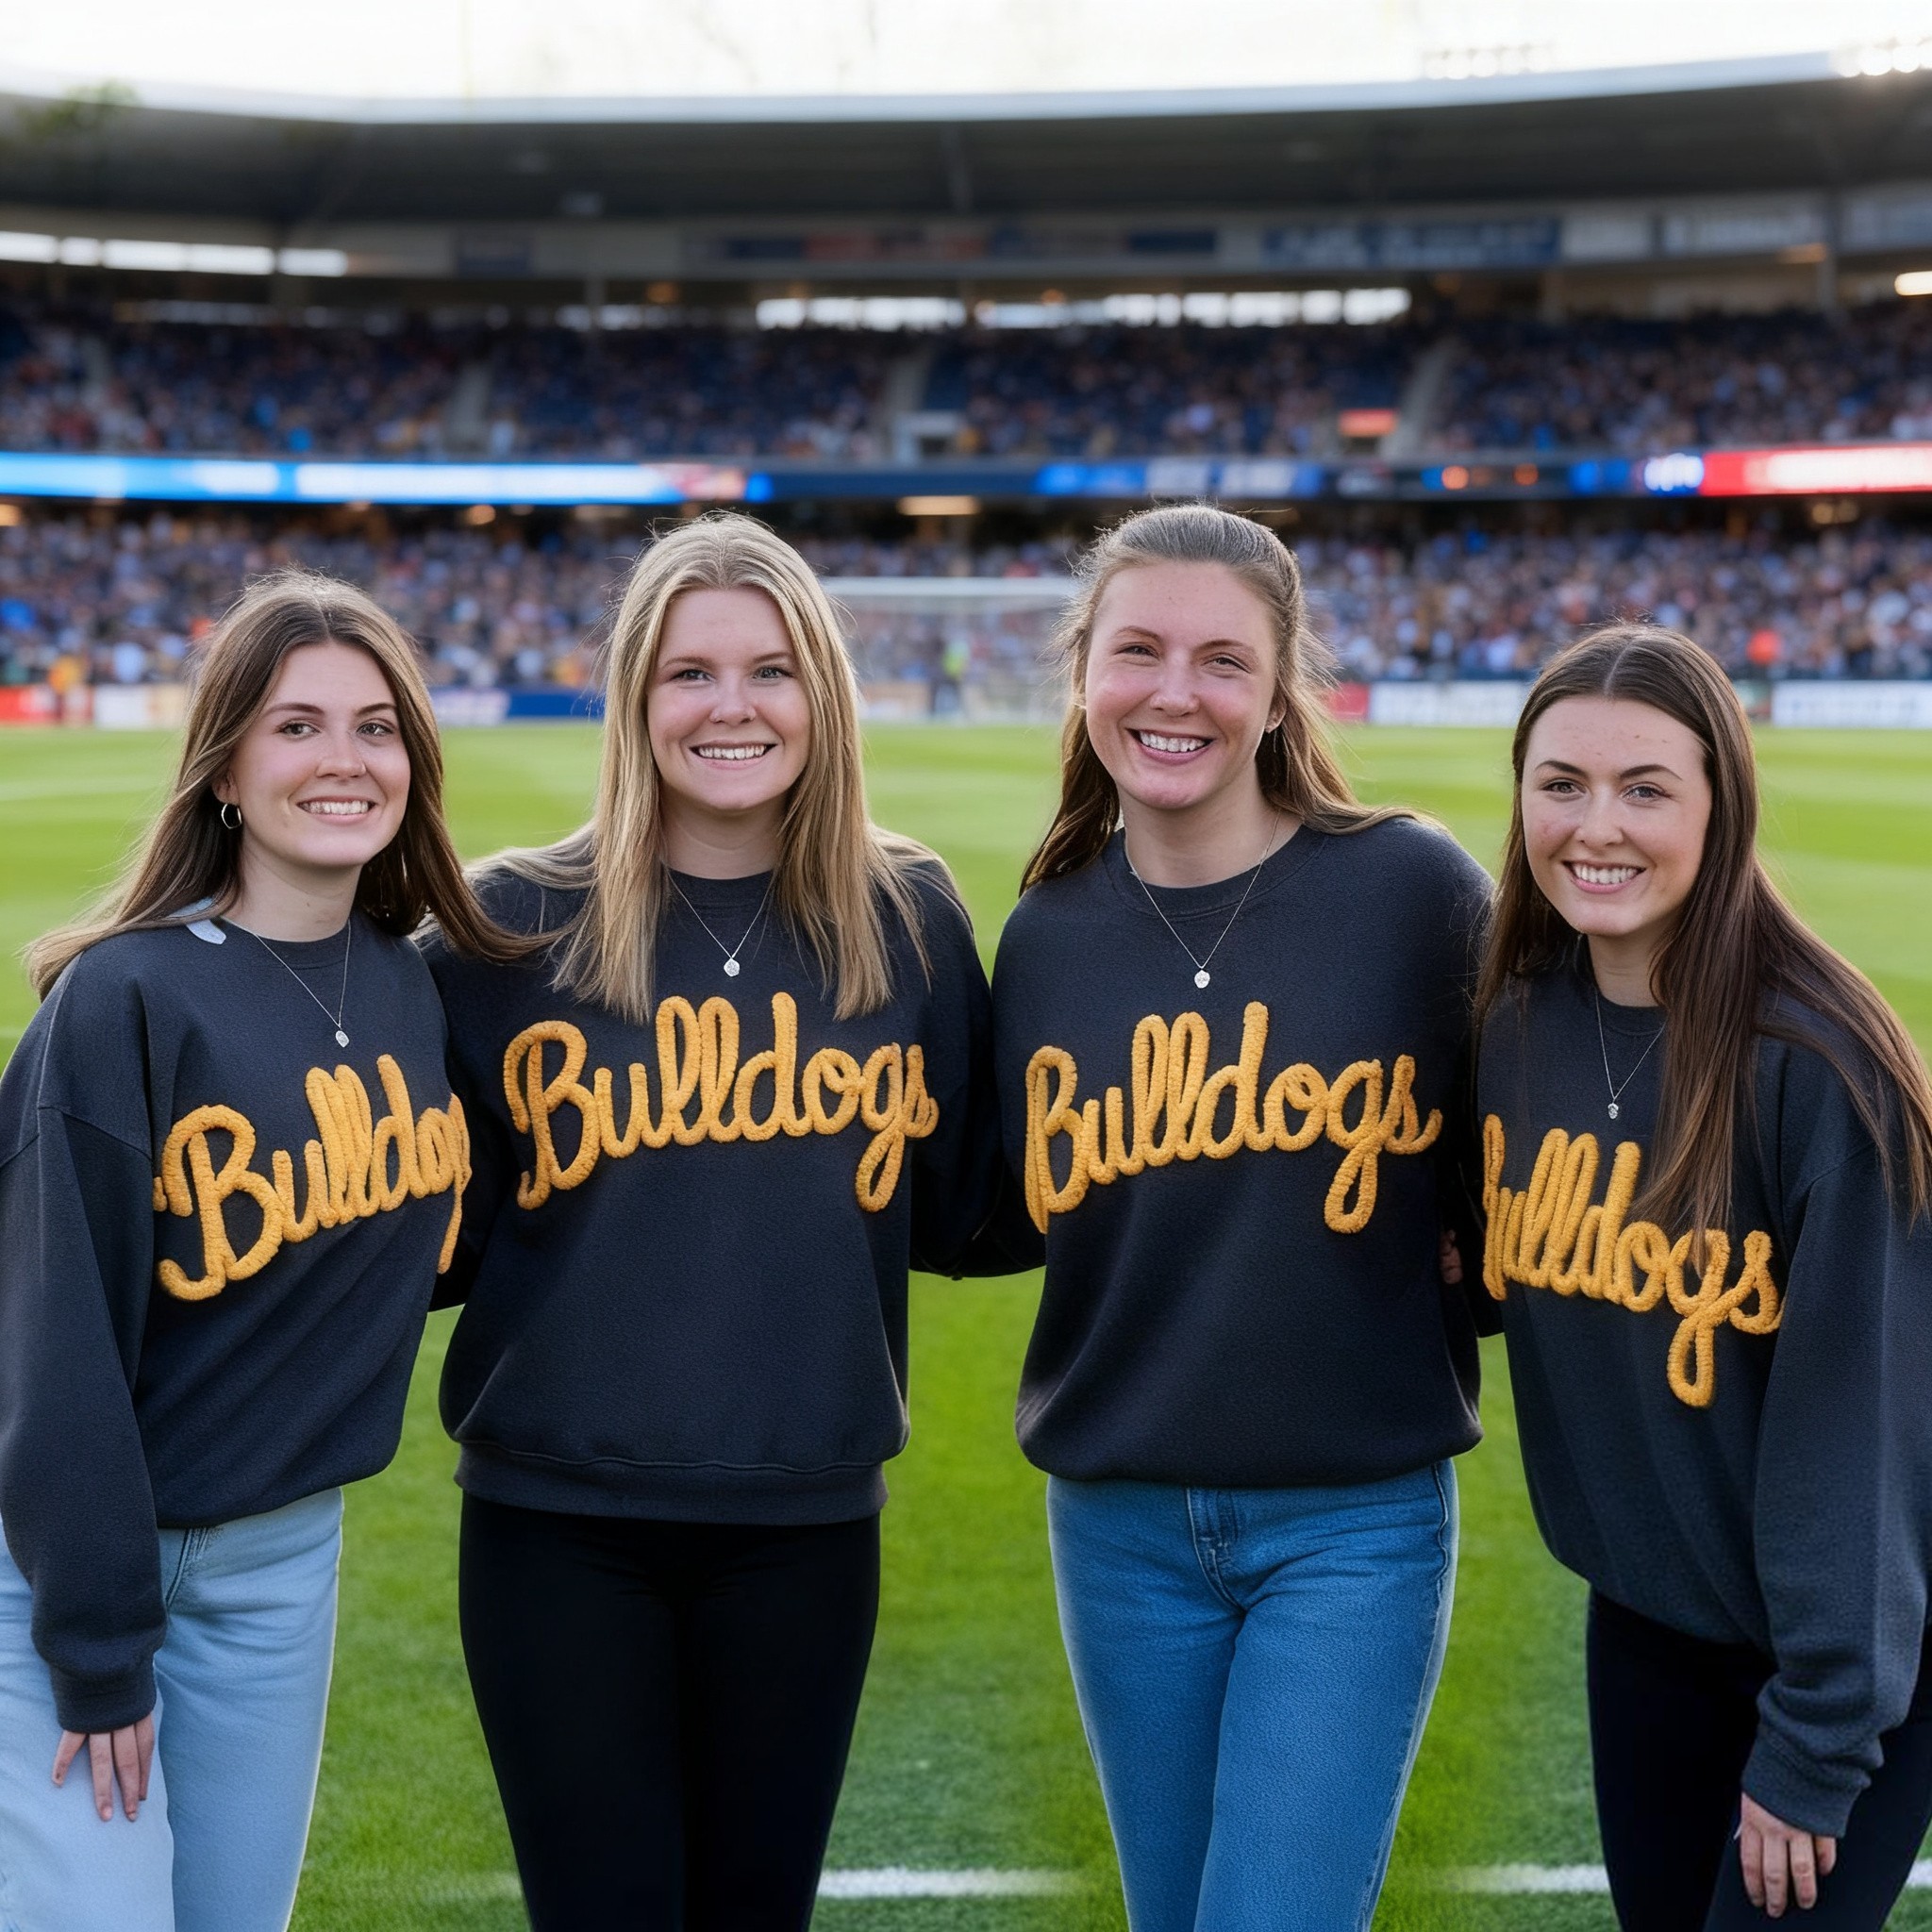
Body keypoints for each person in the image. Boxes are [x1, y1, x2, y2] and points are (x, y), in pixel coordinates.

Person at [424, 512, 1009, 1931]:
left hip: (803, 1529)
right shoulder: (509, 925)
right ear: (634, 699)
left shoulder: (907, 918)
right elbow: (405, 1216)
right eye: (690, 674)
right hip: (556, 1533)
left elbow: (990, 1200)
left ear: (824, 694)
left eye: (769, 671)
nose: (731, 708)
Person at [991, 502, 1492, 1932]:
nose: (1175, 692)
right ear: (1085, 671)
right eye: (1137, 649)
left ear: (1278, 693)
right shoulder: (1046, 936)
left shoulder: (1413, 891)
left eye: (1223, 660)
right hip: (1120, 1526)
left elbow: (1546, 1130)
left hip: (1355, 1525)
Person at [0, 572, 518, 1932]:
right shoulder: (125, 999)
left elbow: (432, 1244)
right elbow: (52, 1345)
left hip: (282, 1566)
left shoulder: (411, 988)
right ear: (225, 766)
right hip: (67, 1570)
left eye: (376, 727)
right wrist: (101, 1644)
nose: (343, 760)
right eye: (296, 727)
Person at [1474, 625, 1932, 1929]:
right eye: (1560, 783)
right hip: (1650, 1628)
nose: (1594, 826)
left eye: (1646, 788)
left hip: (1853, 1669)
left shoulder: (1820, 1072)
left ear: (1720, 807)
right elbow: (1519, 1267)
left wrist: (1816, 1743)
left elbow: (1862, 1437)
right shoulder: (1515, 1029)